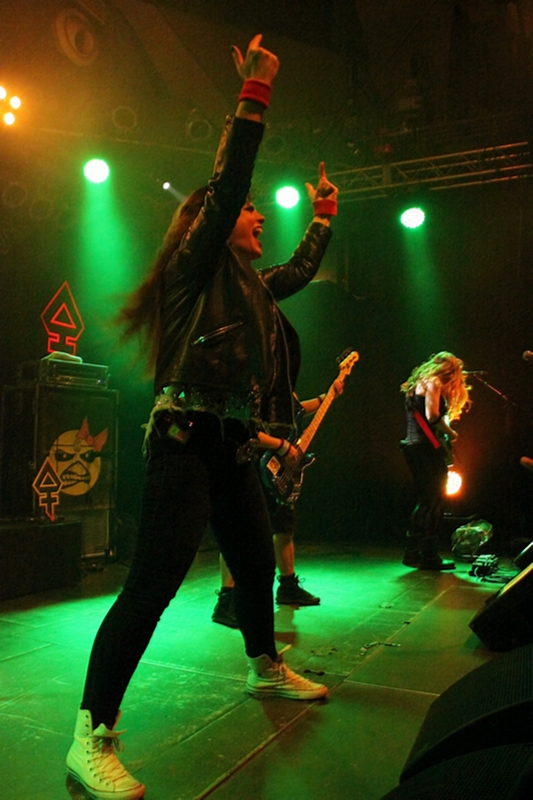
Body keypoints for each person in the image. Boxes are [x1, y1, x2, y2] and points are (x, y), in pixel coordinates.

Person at [66, 34, 339, 800]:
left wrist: (322, 217)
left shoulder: (249, 284)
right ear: (210, 222)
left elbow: (299, 270)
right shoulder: (195, 263)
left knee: (255, 564)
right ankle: (90, 732)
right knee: (152, 584)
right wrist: (253, 95)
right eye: (249, 211)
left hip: (230, 444)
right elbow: (226, 186)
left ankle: (263, 666)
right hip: (184, 439)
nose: (257, 216)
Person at [213, 382, 345, 628]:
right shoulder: (255, 381)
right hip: (254, 461)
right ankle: (226, 600)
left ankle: (287, 586)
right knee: (238, 531)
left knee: (284, 525)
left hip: (280, 464)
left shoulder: (282, 380)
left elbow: (295, 410)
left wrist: (326, 397)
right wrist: (282, 446)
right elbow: (248, 429)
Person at [400, 351, 471, 571]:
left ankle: (412, 552)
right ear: (450, 371)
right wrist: (451, 432)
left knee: (425, 500)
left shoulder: (417, 384)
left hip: (412, 446)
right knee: (436, 501)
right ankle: (429, 555)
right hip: (425, 448)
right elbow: (432, 416)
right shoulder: (434, 383)